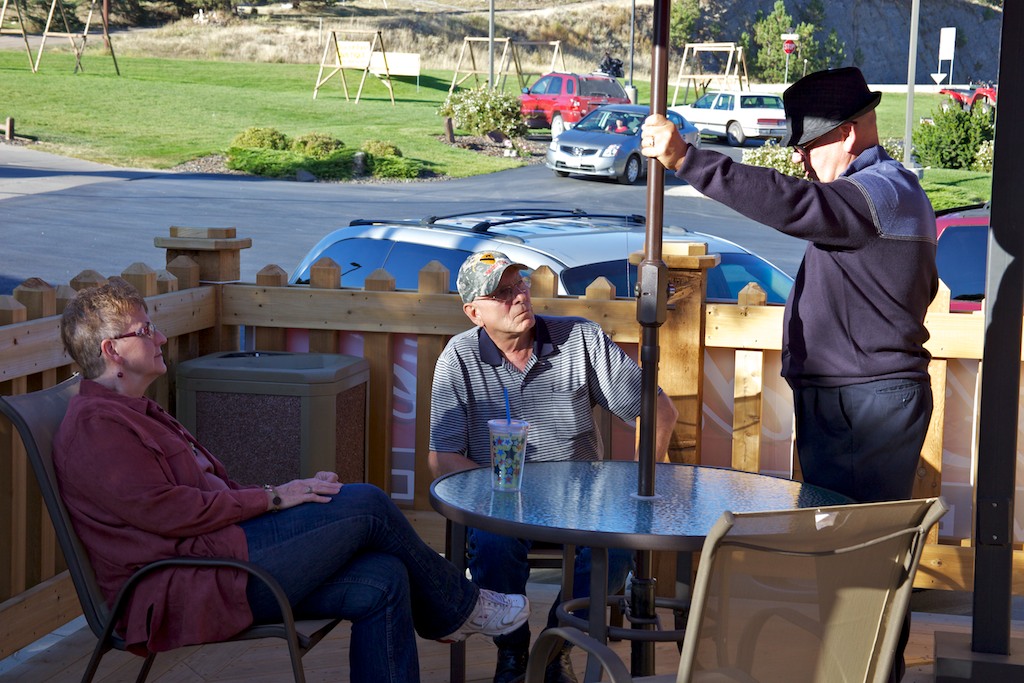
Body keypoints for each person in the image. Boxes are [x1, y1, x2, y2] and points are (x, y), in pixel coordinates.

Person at [52, 277, 530, 683]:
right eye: (145, 330)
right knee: (366, 504)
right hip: (189, 583)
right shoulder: (98, 427)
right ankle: (460, 607)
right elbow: (170, 512)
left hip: (224, 557)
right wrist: (274, 499)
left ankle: (455, 609)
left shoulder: (133, 410)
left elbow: (203, 497)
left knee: (384, 577)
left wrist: (289, 495)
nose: (159, 338)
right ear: (112, 350)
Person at [641, 66, 936, 682]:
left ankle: (860, 674)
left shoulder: (877, 193)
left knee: (856, 568)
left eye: (809, 145)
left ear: (848, 134)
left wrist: (687, 159)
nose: (800, 159)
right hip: (857, 400)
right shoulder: (887, 194)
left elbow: (792, 203)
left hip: (862, 406)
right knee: (856, 563)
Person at [429, 251, 678, 683]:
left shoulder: (579, 338)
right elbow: (442, 457)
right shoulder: (459, 357)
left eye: (520, 284)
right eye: (502, 293)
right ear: (474, 313)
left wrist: (639, 485)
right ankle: (513, 651)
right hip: (502, 503)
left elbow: (659, 411)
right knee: (491, 541)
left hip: (580, 502)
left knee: (621, 542)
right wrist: (503, 492)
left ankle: (556, 645)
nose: (519, 296)